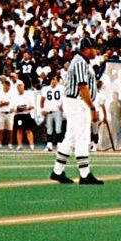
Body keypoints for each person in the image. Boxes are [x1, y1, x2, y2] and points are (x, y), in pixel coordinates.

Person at [50, 41, 104, 184]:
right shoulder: (80, 62)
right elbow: (82, 87)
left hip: (76, 101)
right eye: (94, 49)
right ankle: (84, 174)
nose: (96, 52)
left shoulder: (81, 61)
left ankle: (57, 171)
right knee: (82, 136)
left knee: (71, 137)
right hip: (78, 101)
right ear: (87, 49)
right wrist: (92, 107)